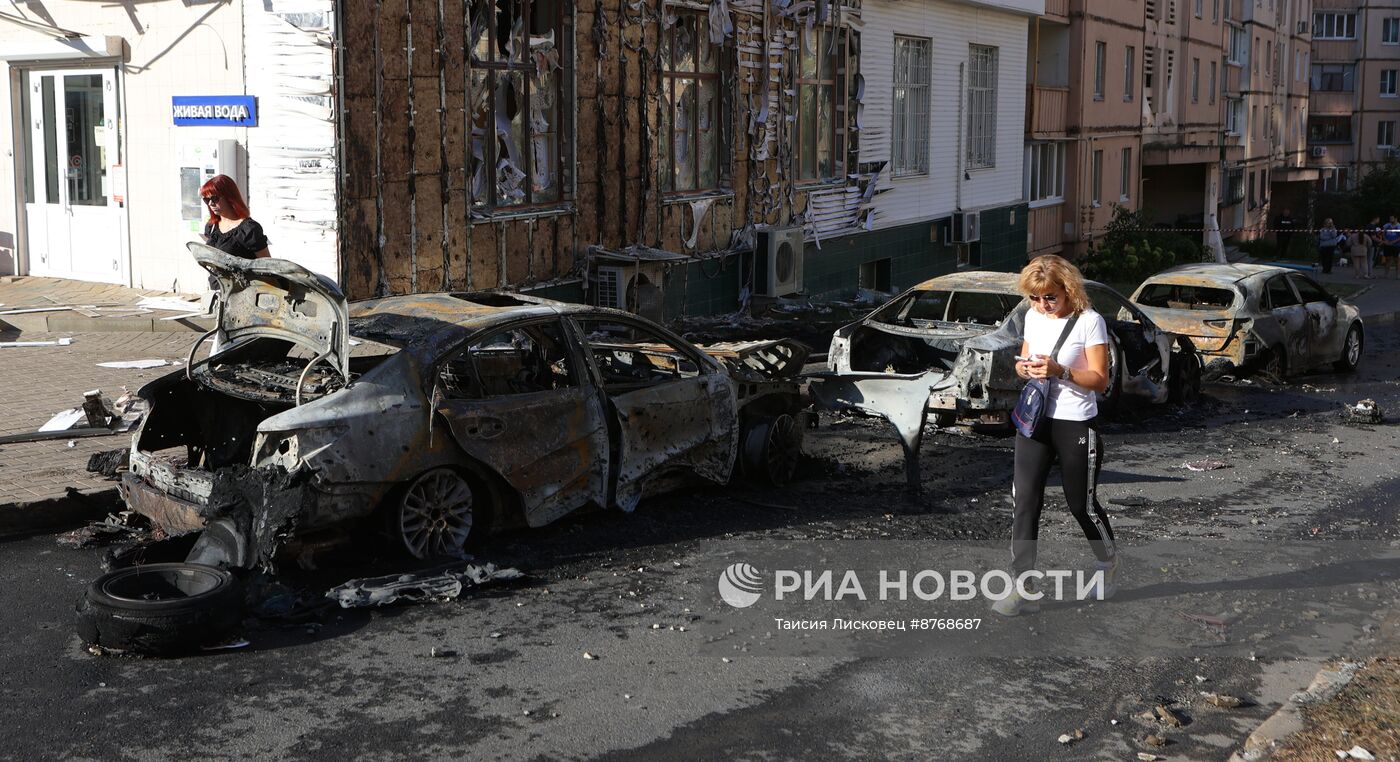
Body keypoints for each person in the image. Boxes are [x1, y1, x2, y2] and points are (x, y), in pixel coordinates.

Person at [992, 255, 1117, 617]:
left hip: (1076, 422)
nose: (1042, 305)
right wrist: (1023, 366)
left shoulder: (1090, 323)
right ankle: (1023, 586)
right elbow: (1027, 359)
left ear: (1068, 290)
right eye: (1035, 298)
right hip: (1035, 421)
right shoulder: (1033, 317)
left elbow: (1100, 379)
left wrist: (1060, 370)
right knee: (1025, 502)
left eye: (1050, 297)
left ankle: (1107, 562)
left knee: (1081, 505)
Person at [199, 175, 270, 260]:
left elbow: (267, 266)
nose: (210, 203)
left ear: (229, 197)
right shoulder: (212, 226)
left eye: (214, 198)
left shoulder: (249, 229)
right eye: (206, 200)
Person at [1382, 215, 1400, 280]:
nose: (1390, 219)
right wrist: (1386, 240)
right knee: (1387, 260)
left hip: (1396, 245)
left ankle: (1398, 275)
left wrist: (1393, 242)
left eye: (1391, 218)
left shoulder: (1399, 226)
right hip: (1387, 245)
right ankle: (1386, 274)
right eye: (1390, 218)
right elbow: (1383, 234)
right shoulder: (1386, 225)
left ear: (1395, 218)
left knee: (1397, 260)